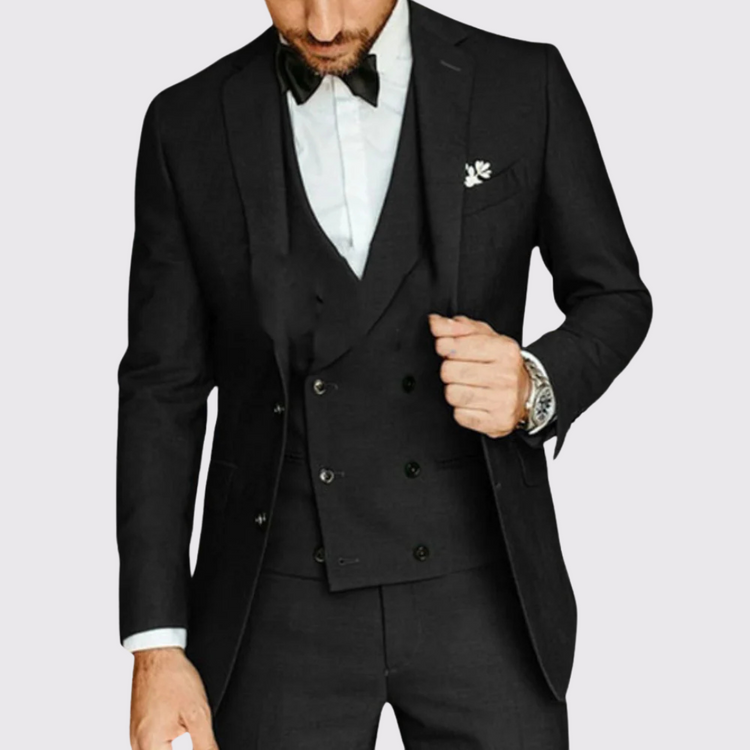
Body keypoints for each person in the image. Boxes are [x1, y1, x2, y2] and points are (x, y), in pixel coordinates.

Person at [117, 0, 652, 747]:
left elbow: (615, 297)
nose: (322, 25)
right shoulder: (187, 123)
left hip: (483, 592)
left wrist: (535, 384)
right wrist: (156, 644)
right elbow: (161, 391)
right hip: (277, 606)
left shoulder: (522, 82)